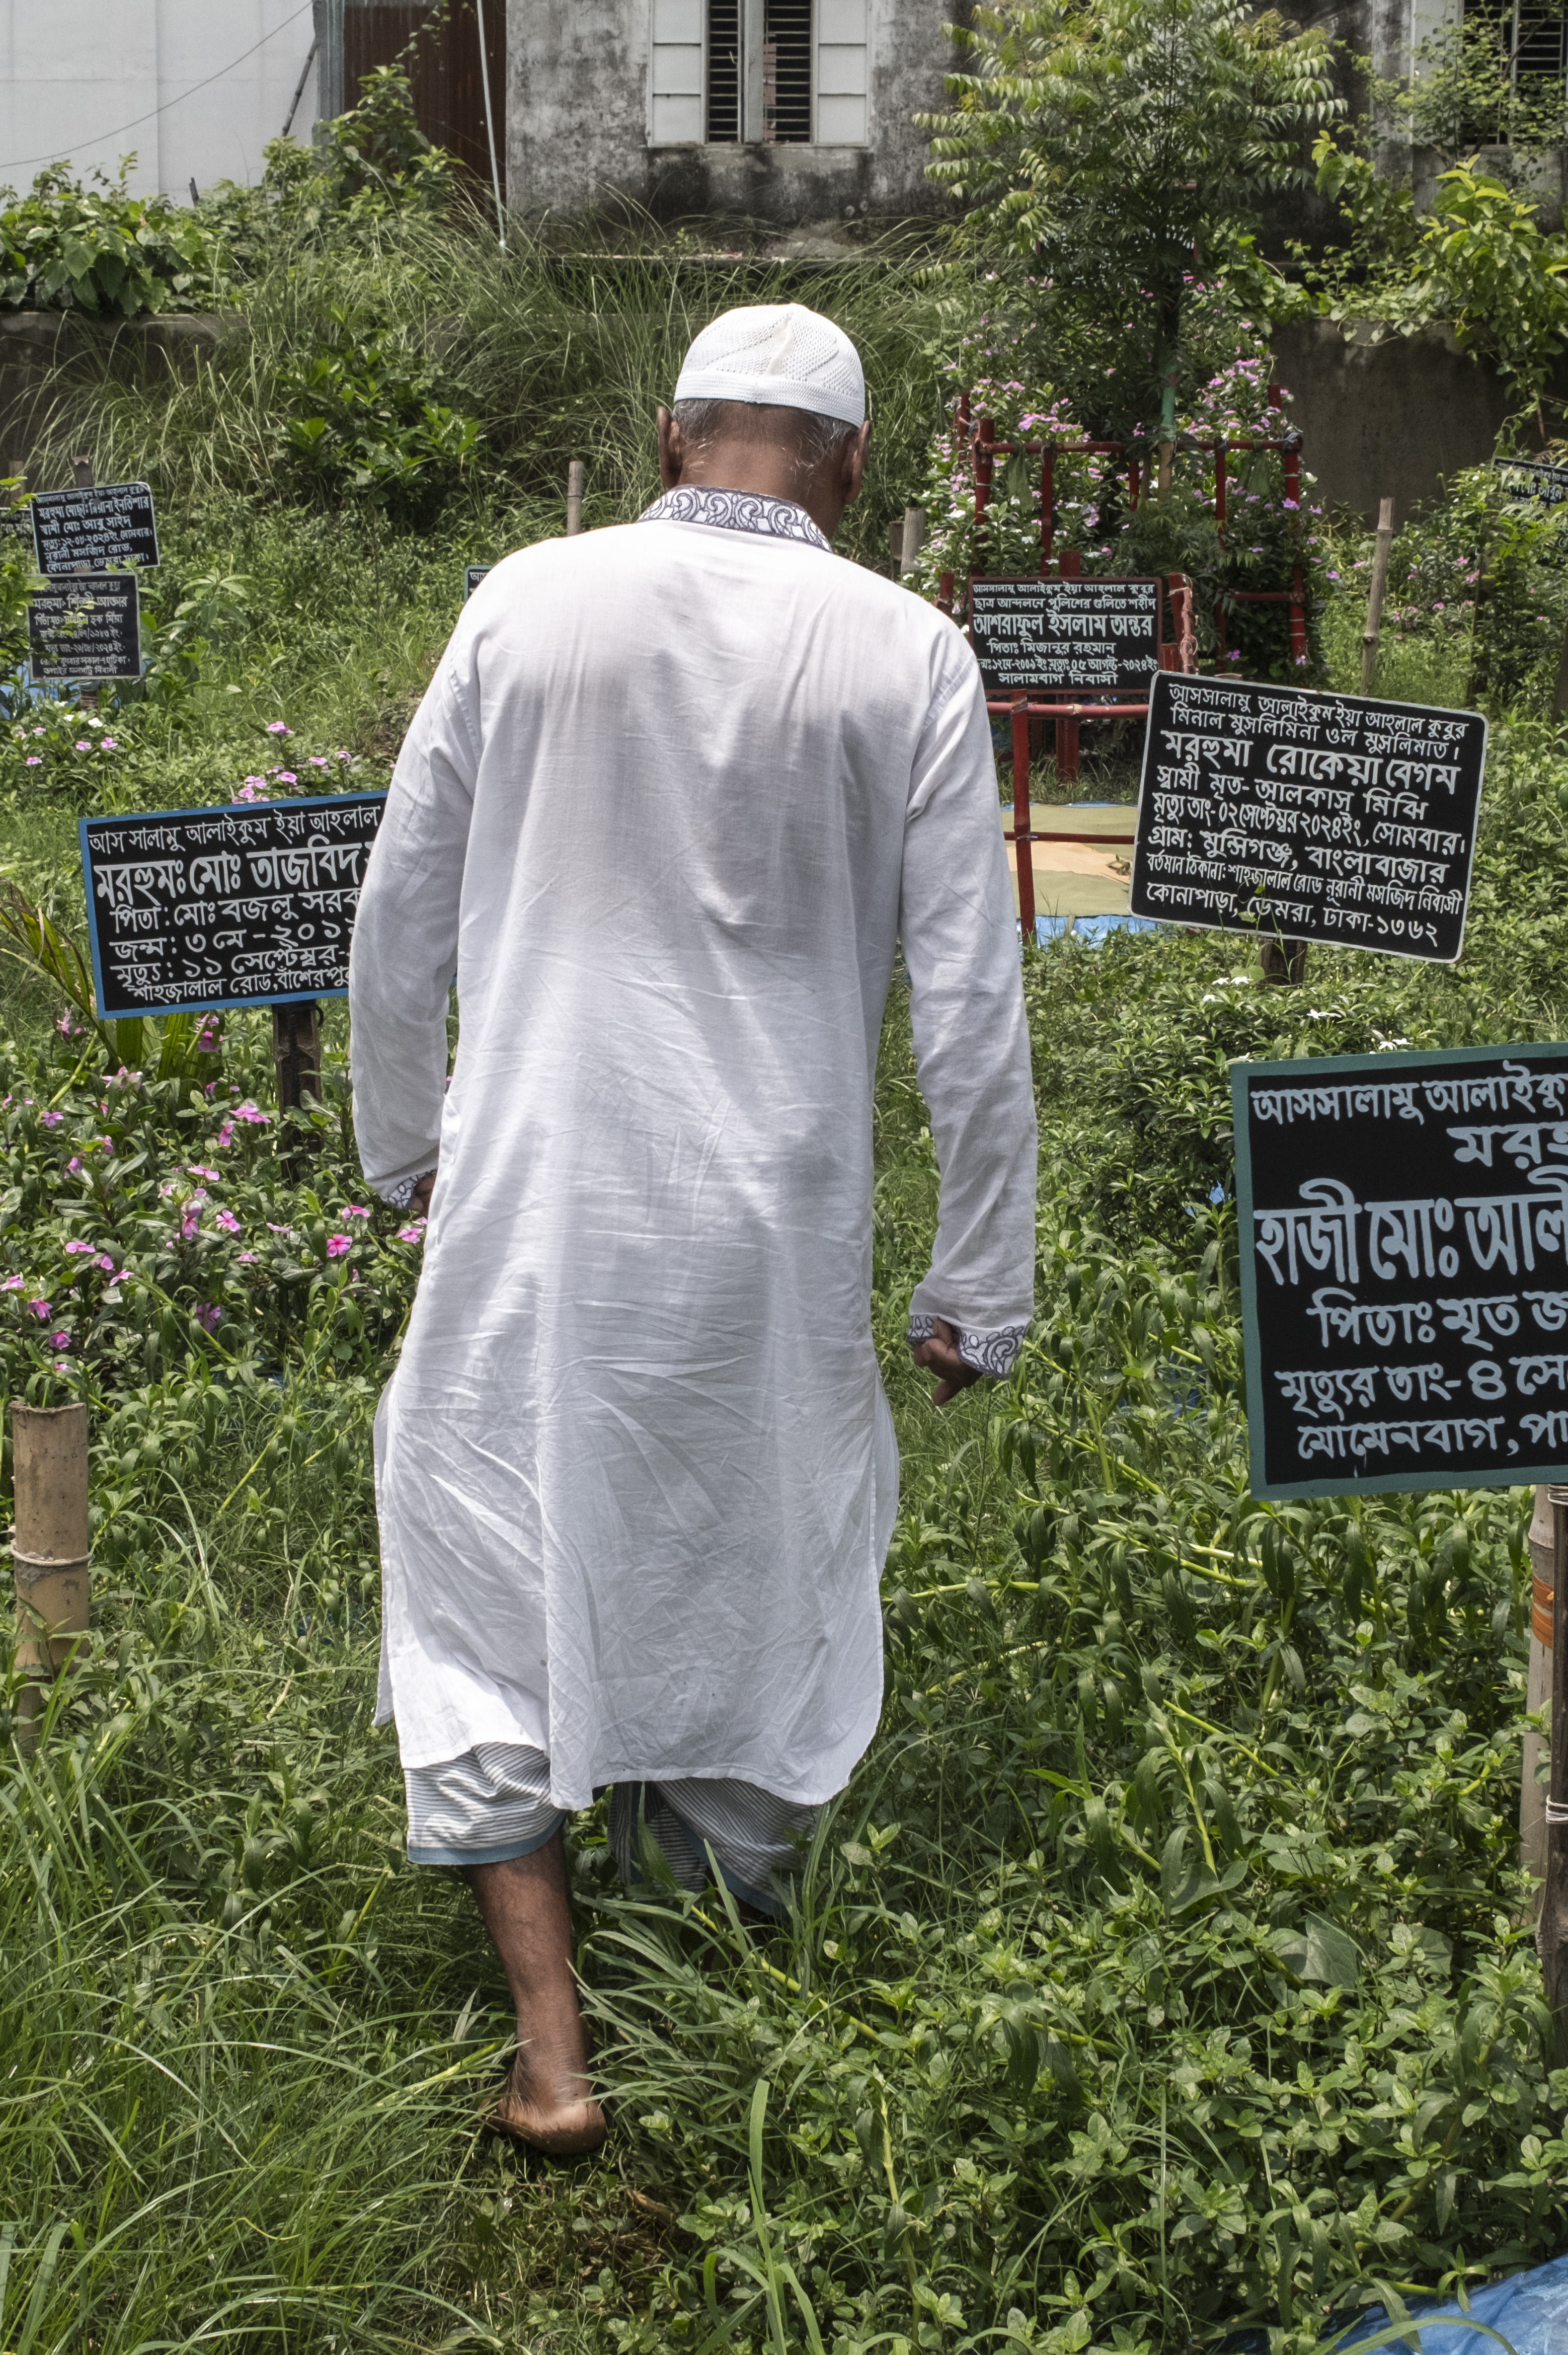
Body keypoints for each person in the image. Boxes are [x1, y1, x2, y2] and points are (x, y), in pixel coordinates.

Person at [347, 303, 1038, 2158]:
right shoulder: (914, 651)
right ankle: (721, 1982)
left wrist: (403, 1152)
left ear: (668, 441)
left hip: (538, 1191)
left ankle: (558, 2052)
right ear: (854, 471)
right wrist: (982, 1279)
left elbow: (398, 908)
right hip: (779, 1217)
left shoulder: (528, 597)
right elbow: (974, 1003)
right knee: (757, 1561)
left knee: (488, 1552)